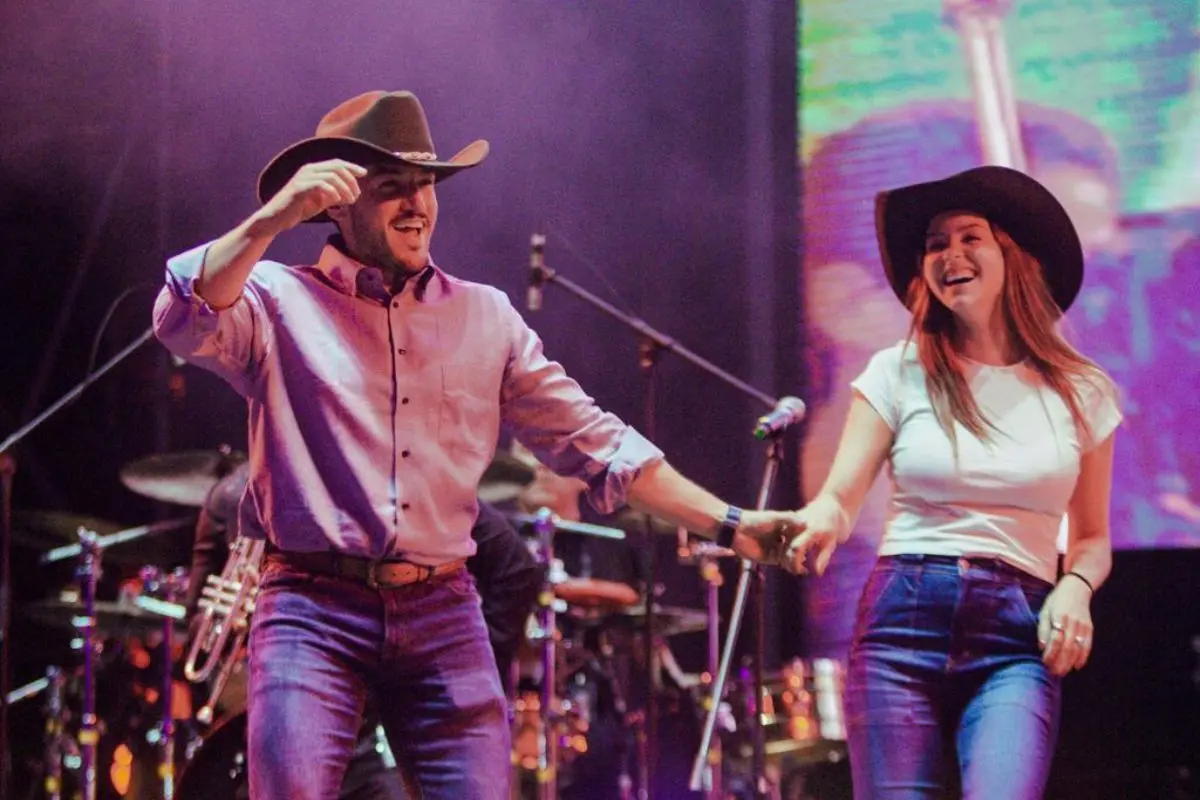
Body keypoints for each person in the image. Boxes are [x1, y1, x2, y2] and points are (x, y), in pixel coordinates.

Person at [152, 89, 797, 800]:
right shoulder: (278, 298)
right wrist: (271, 222)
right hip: (311, 604)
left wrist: (733, 525)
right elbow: (182, 317)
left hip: (441, 609)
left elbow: (597, 442)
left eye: (425, 185)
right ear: (335, 203)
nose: (416, 205)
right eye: (390, 187)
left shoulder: (483, 316)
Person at [784, 165, 1122, 798]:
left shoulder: (1082, 390)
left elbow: (1093, 538)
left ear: (1011, 257)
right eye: (936, 244)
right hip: (901, 623)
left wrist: (1075, 587)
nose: (950, 255)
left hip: (1017, 635)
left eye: (970, 237)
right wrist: (820, 519)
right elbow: (839, 497)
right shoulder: (897, 371)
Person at [180, 462, 543, 799]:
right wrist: (244, 621)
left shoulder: (391, 477)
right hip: (269, 715)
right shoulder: (228, 497)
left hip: (373, 738)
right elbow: (198, 625)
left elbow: (517, 569)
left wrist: (465, 666)